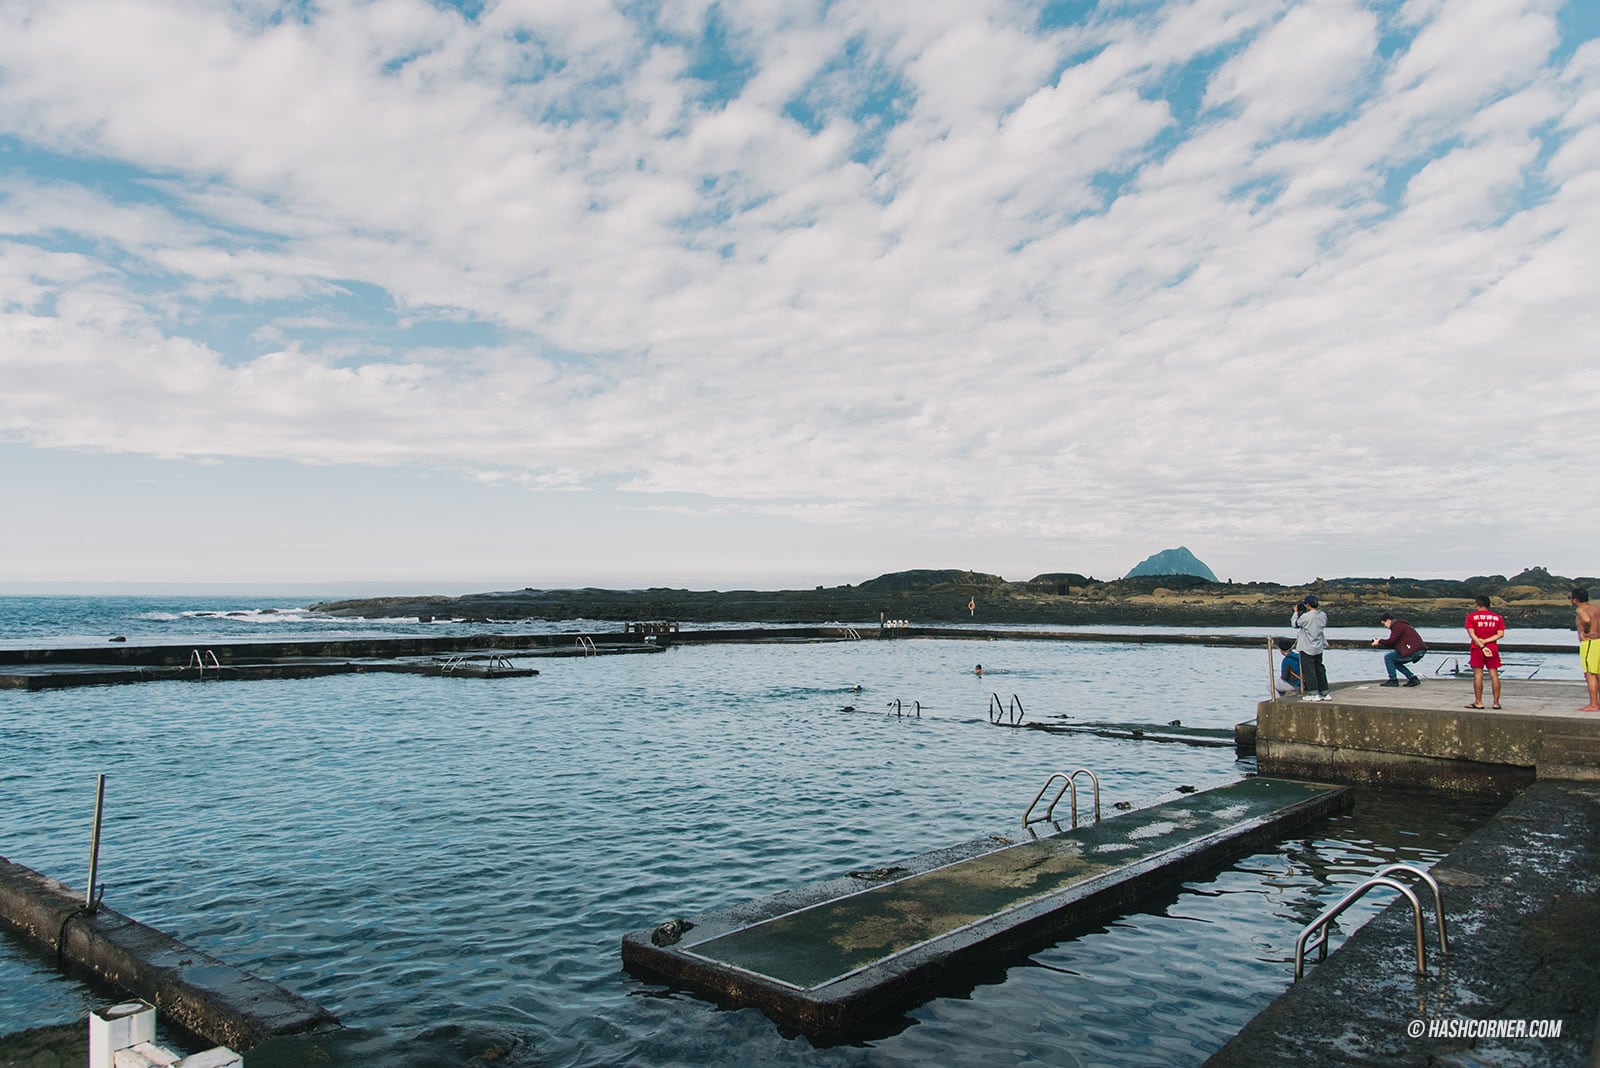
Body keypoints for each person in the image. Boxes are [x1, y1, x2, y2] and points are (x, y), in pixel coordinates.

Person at [1464, 595, 1506, 709]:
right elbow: (1500, 634)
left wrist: (1482, 645)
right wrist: (1487, 641)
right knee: (1494, 675)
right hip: (1492, 648)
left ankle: (1479, 702)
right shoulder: (1497, 618)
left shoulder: (1471, 617)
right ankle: (1496, 703)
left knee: (1478, 675)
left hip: (1477, 648)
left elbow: (1472, 634)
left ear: (1477, 604)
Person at [1292, 595, 1330, 701]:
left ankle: (1313, 693)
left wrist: (1296, 612)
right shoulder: (1323, 615)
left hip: (1307, 647)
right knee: (1319, 669)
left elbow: (1295, 624)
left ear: (1308, 605)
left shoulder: (1306, 617)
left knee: (1309, 670)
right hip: (1319, 646)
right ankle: (1325, 692)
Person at [1372, 613, 1426, 687]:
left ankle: (1393, 680)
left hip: (1414, 651)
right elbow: (1394, 643)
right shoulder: (1401, 625)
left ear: (1388, 621)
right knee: (1394, 661)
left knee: (1388, 657)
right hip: (1418, 650)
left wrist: (1379, 641)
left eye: (1384, 623)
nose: (1385, 626)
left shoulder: (1397, 626)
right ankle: (1412, 679)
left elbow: (1391, 641)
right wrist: (1380, 642)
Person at [1574, 588, 1600, 712]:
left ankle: (1594, 704)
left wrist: (1585, 632)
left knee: (1590, 674)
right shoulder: (1596, 607)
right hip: (1599, 641)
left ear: (1575, 600)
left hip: (1590, 643)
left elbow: (1587, 619)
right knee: (1598, 673)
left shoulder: (1581, 609)